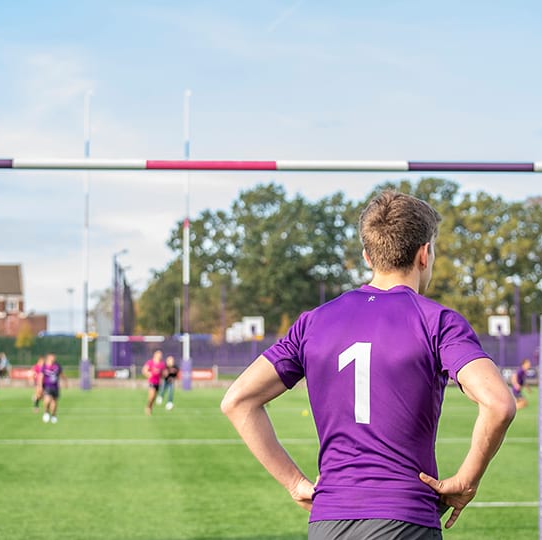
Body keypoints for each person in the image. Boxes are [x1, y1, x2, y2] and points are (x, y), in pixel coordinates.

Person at [221, 190, 516, 538]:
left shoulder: (314, 322)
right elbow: (498, 403)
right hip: (405, 518)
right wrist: (467, 479)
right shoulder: (437, 321)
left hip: (329, 522)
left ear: (367, 255)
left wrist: (294, 483)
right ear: (424, 254)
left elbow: (237, 401)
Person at [40, 353, 64, 424]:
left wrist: (65, 380)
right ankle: (46, 412)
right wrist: (40, 386)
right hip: (47, 386)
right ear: (48, 358)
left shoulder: (57, 365)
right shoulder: (44, 366)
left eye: (54, 357)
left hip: (55, 387)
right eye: (51, 357)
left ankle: (53, 415)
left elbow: (61, 374)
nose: (53, 358)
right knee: (47, 400)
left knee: (54, 402)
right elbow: (41, 376)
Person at [142, 350, 165, 415]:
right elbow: (144, 370)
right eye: (159, 354)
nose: (160, 356)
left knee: (154, 397)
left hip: (158, 383)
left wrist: (163, 377)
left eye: (161, 355)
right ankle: (148, 407)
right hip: (152, 382)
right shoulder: (150, 362)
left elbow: (163, 373)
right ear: (155, 355)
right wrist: (148, 374)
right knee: (151, 396)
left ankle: (150, 407)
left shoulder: (162, 364)